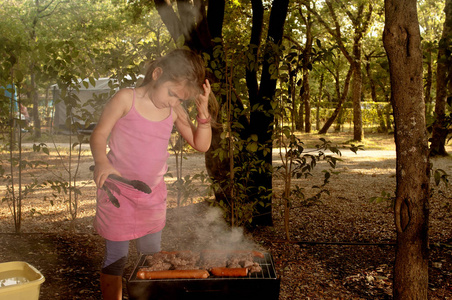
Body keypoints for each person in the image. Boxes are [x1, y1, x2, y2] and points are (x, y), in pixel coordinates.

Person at [90, 49, 216, 300]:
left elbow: (201, 144)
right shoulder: (127, 99)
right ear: (157, 74)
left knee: (151, 257)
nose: (173, 102)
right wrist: (102, 162)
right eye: (171, 93)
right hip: (118, 195)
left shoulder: (174, 109)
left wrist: (202, 114)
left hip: (151, 198)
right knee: (116, 258)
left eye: (180, 99)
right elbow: (99, 134)